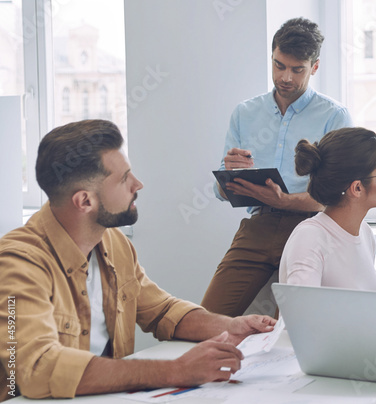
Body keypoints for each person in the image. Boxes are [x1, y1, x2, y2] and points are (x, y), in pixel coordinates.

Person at [0, 120, 276, 400]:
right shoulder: (18, 263)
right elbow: (38, 369)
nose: (138, 184)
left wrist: (229, 327)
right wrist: (176, 370)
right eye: (124, 178)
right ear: (85, 201)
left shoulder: (112, 241)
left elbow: (162, 311)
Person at [201, 17, 353, 317]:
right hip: (258, 226)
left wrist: (285, 200)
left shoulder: (334, 116)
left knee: (296, 331)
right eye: (279, 65)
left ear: (315, 67)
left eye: (297, 70)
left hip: (311, 228)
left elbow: (337, 196)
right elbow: (220, 192)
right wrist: (227, 177)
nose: (286, 77)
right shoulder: (245, 113)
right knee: (206, 320)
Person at [278, 128, 376, 322]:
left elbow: (363, 316)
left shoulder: (364, 233)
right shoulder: (310, 238)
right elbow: (301, 322)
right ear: (357, 188)